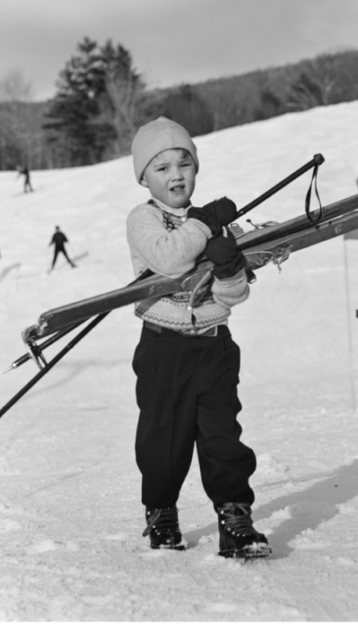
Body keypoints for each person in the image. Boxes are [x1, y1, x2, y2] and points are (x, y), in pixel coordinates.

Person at [126, 116, 270, 558]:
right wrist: (206, 225)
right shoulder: (144, 219)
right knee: (163, 440)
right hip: (163, 348)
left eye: (184, 164)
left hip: (215, 346)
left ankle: (235, 518)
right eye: (162, 167)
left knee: (223, 437)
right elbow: (169, 260)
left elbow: (234, 295)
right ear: (144, 177)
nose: (175, 175)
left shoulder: (213, 225)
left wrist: (229, 269)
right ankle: (161, 512)